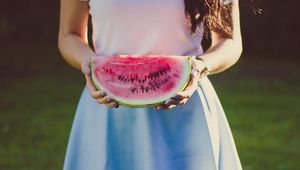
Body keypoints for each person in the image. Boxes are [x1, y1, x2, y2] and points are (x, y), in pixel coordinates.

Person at [58, 0, 243, 169]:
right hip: (108, 107)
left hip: (184, 107)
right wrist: (91, 67)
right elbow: (69, 35)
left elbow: (230, 40)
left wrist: (201, 66)